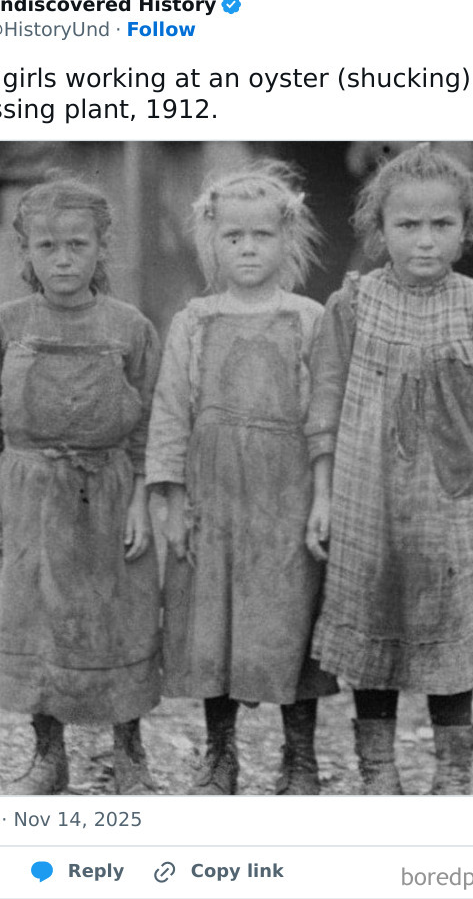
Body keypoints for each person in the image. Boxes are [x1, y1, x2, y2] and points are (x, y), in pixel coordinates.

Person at [305, 144, 473, 795]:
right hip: (363, 495)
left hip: (450, 501)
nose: (425, 240)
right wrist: (321, 494)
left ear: (466, 230)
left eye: (441, 225)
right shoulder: (352, 304)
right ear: (379, 231)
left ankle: (452, 770)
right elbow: (324, 402)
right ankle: (379, 769)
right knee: (372, 625)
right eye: (407, 225)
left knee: (450, 630)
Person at [0, 178, 162, 795]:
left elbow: (153, 421)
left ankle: (130, 755)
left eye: (78, 243)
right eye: (47, 246)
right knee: (34, 622)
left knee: (120, 621)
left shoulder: (130, 327)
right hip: (29, 494)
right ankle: (48, 757)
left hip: (109, 494)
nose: (64, 258)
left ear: (104, 248)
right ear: (25, 252)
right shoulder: (6, 325)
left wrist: (140, 501)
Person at [146, 161, 338, 795]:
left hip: (286, 496)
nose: (248, 247)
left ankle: (300, 756)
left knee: (290, 620)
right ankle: (220, 755)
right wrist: (170, 500)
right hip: (213, 496)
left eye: (261, 235)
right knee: (213, 625)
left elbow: (323, 417)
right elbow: (171, 413)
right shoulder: (194, 321)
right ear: (213, 241)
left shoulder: (309, 319)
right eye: (234, 237)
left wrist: (322, 495)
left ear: (287, 239)